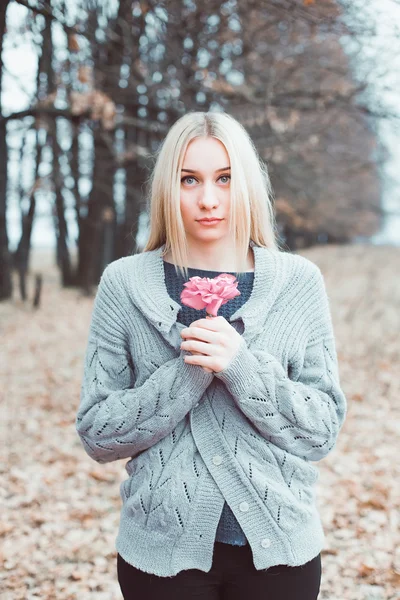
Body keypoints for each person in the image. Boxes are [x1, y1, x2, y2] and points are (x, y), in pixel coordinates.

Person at [75, 111, 347, 599]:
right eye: (189, 179)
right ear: (167, 188)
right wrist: (186, 373)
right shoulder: (123, 284)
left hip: (280, 552)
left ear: (245, 184)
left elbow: (320, 430)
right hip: (159, 556)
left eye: (224, 178)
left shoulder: (298, 283)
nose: (207, 198)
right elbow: (98, 433)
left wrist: (241, 368)